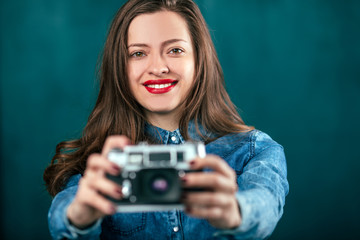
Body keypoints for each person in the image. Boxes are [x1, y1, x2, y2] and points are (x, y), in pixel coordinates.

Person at [43, 0, 289, 239]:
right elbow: (64, 216)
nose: (158, 67)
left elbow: (265, 205)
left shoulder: (255, 151)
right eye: (138, 53)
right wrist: (78, 216)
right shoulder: (96, 166)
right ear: (120, 67)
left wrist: (235, 211)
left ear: (199, 61)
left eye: (175, 50)